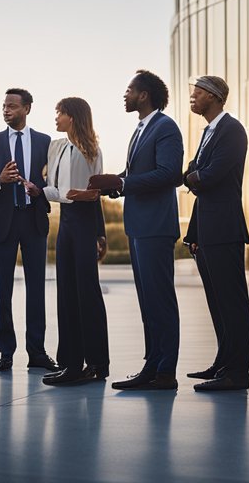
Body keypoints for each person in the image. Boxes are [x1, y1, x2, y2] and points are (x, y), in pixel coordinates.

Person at [89, 69, 183, 392]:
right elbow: (135, 174)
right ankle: (152, 365)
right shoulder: (140, 129)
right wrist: (111, 185)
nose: (125, 95)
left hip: (156, 226)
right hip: (139, 225)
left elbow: (169, 174)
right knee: (148, 301)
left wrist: (123, 183)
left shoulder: (165, 127)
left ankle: (166, 372)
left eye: (129, 90)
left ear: (144, 95)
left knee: (160, 300)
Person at [0, 88, 57, 372]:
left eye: (12, 106)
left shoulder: (45, 142)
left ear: (27, 108)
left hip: (34, 221)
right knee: (4, 291)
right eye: (4, 106)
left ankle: (38, 352)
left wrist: (39, 190)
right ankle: (6, 352)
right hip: (3, 223)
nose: (6, 110)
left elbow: (54, 182)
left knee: (37, 290)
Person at [181, 75, 249, 392]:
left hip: (224, 228)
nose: (193, 96)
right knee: (217, 302)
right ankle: (223, 363)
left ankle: (236, 373)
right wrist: (195, 176)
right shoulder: (209, 131)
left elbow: (209, 175)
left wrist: (195, 176)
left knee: (232, 303)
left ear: (213, 96)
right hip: (207, 229)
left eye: (198, 92)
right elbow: (193, 172)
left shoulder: (232, 129)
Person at [41, 97, 111, 387]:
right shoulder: (57, 147)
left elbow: (95, 195)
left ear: (72, 116)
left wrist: (99, 234)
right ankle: (70, 363)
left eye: (60, 113)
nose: (56, 117)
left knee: (87, 293)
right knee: (66, 293)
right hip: (67, 223)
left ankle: (96, 364)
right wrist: (43, 190)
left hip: (84, 223)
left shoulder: (92, 150)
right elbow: (60, 190)